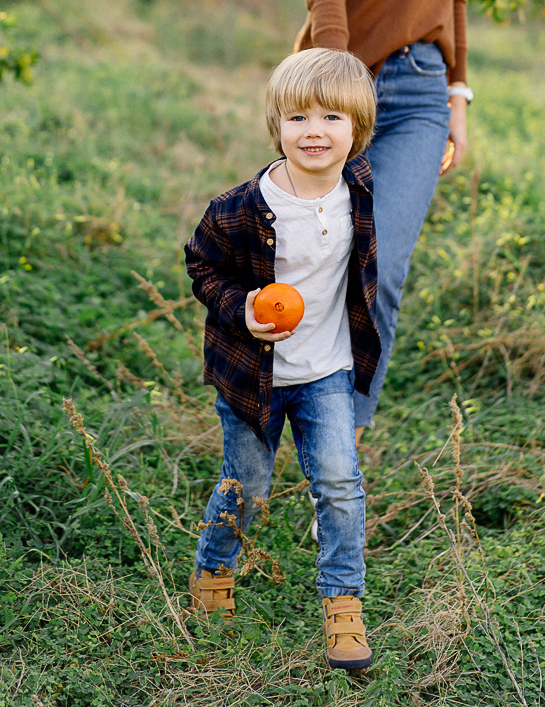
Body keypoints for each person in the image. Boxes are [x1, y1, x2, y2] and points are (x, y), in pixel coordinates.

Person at [296, 0, 472, 441]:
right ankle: (284, 417)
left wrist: (459, 93)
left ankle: (340, 453)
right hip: (337, 89)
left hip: (419, 93)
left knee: (377, 272)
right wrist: (335, 86)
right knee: (313, 262)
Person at [184, 47, 380, 670]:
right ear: (277, 126)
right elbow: (201, 265)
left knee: (340, 487)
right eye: (297, 118)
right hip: (253, 378)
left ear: (358, 130)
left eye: (331, 119)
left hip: (327, 371)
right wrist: (239, 307)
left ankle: (343, 606)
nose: (314, 131)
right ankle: (213, 574)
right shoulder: (241, 208)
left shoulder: (361, 192)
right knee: (248, 486)